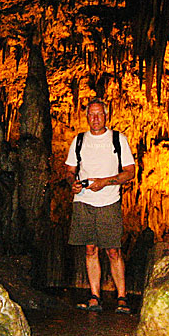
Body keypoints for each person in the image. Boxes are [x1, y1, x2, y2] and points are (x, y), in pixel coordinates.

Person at [65, 98, 136, 314]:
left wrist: (105, 182)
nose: (95, 118)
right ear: (86, 116)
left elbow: (130, 171)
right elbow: (69, 169)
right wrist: (72, 183)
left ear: (106, 116)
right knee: (90, 249)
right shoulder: (78, 141)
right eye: (91, 114)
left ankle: (121, 296)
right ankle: (95, 295)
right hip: (84, 201)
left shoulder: (117, 139)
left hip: (109, 200)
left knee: (113, 250)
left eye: (99, 114)